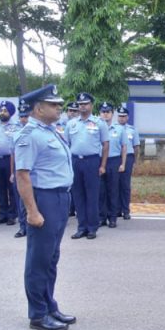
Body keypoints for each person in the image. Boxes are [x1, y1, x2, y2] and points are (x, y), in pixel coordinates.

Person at [14, 84, 75, 330]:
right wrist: (32, 211)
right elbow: (22, 176)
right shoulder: (29, 135)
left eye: (59, 104)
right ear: (38, 108)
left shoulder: (51, 131)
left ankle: (50, 305)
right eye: (54, 104)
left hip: (60, 198)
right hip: (44, 199)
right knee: (39, 259)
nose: (59, 108)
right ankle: (38, 314)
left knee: (51, 258)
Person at [65, 92, 108, 240]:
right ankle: (81, 227)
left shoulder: (99, 123)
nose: (83, 106)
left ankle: (92, 228)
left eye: (86, 104)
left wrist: (103, 165)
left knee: (92, 196)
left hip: (92, 162)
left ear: (91, 105)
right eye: (80, 104)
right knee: (78, 196)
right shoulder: (71, 124)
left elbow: (105, 145)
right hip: (76, 161)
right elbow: (66, 145)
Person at [98, 102, 127, 228]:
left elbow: (124, 147)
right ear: (99, 113)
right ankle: (102, 217)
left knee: (113, 190)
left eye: (108, 112)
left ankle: (113, 217)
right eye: (103, 112)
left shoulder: (119, 129)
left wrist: (123, 164)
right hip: (99, 161)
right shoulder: (95, 128)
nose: (105, 114)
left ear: (112, 114)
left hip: (114, 161)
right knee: (100, 191)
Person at [0, 101, 19, 227]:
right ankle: (3, 214)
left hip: (10, 160)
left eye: (5, 110)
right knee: (0, 188)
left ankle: (12, 215)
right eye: (1, 110)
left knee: (11, 188)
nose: (2, 112)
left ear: (11, 112)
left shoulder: (16, 126)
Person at [12, 101, 31, 238]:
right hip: (20, 170)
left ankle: (33, 226)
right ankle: (23, 227)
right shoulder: (16, 132)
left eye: (26, 116)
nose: (23, 119)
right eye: (21, 116)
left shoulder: (37, 131)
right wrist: (12, 172)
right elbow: (13, 154)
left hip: (34, 171)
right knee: (21, 200)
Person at [117, 106, 140, 220]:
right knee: (114, 184)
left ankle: (126, 210)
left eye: (124, 116)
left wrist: (135, 161)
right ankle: (116, 210)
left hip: (129, 157)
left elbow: (136, 147)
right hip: (116, 157)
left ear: (128, 117)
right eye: (120, 116)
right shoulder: (113, 128)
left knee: (125, 185)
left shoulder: (132, 130)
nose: (121, 118)